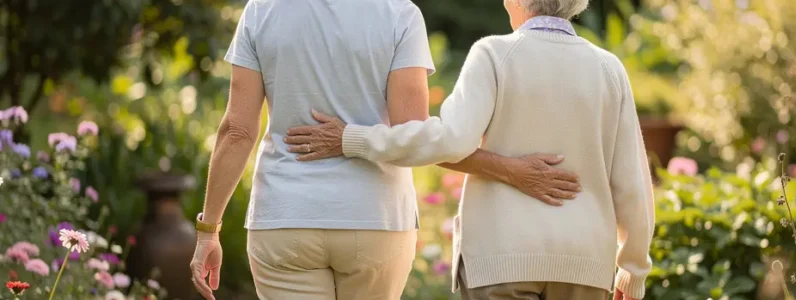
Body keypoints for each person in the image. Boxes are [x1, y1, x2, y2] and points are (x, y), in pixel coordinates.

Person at [188, 0, 581, 299]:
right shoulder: (399, 13)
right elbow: (416, 135)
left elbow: (236, 132)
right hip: (375, 221)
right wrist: (511, 170)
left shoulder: (262, 10)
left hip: (284, 219)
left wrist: (209, 231)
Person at [283, 0, 656, 299]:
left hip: (502, 261)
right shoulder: (609, 69)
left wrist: (353, 138)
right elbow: (632, 182)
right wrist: (633, 270)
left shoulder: (493, 54)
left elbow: (447, 142)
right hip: (585, 266)